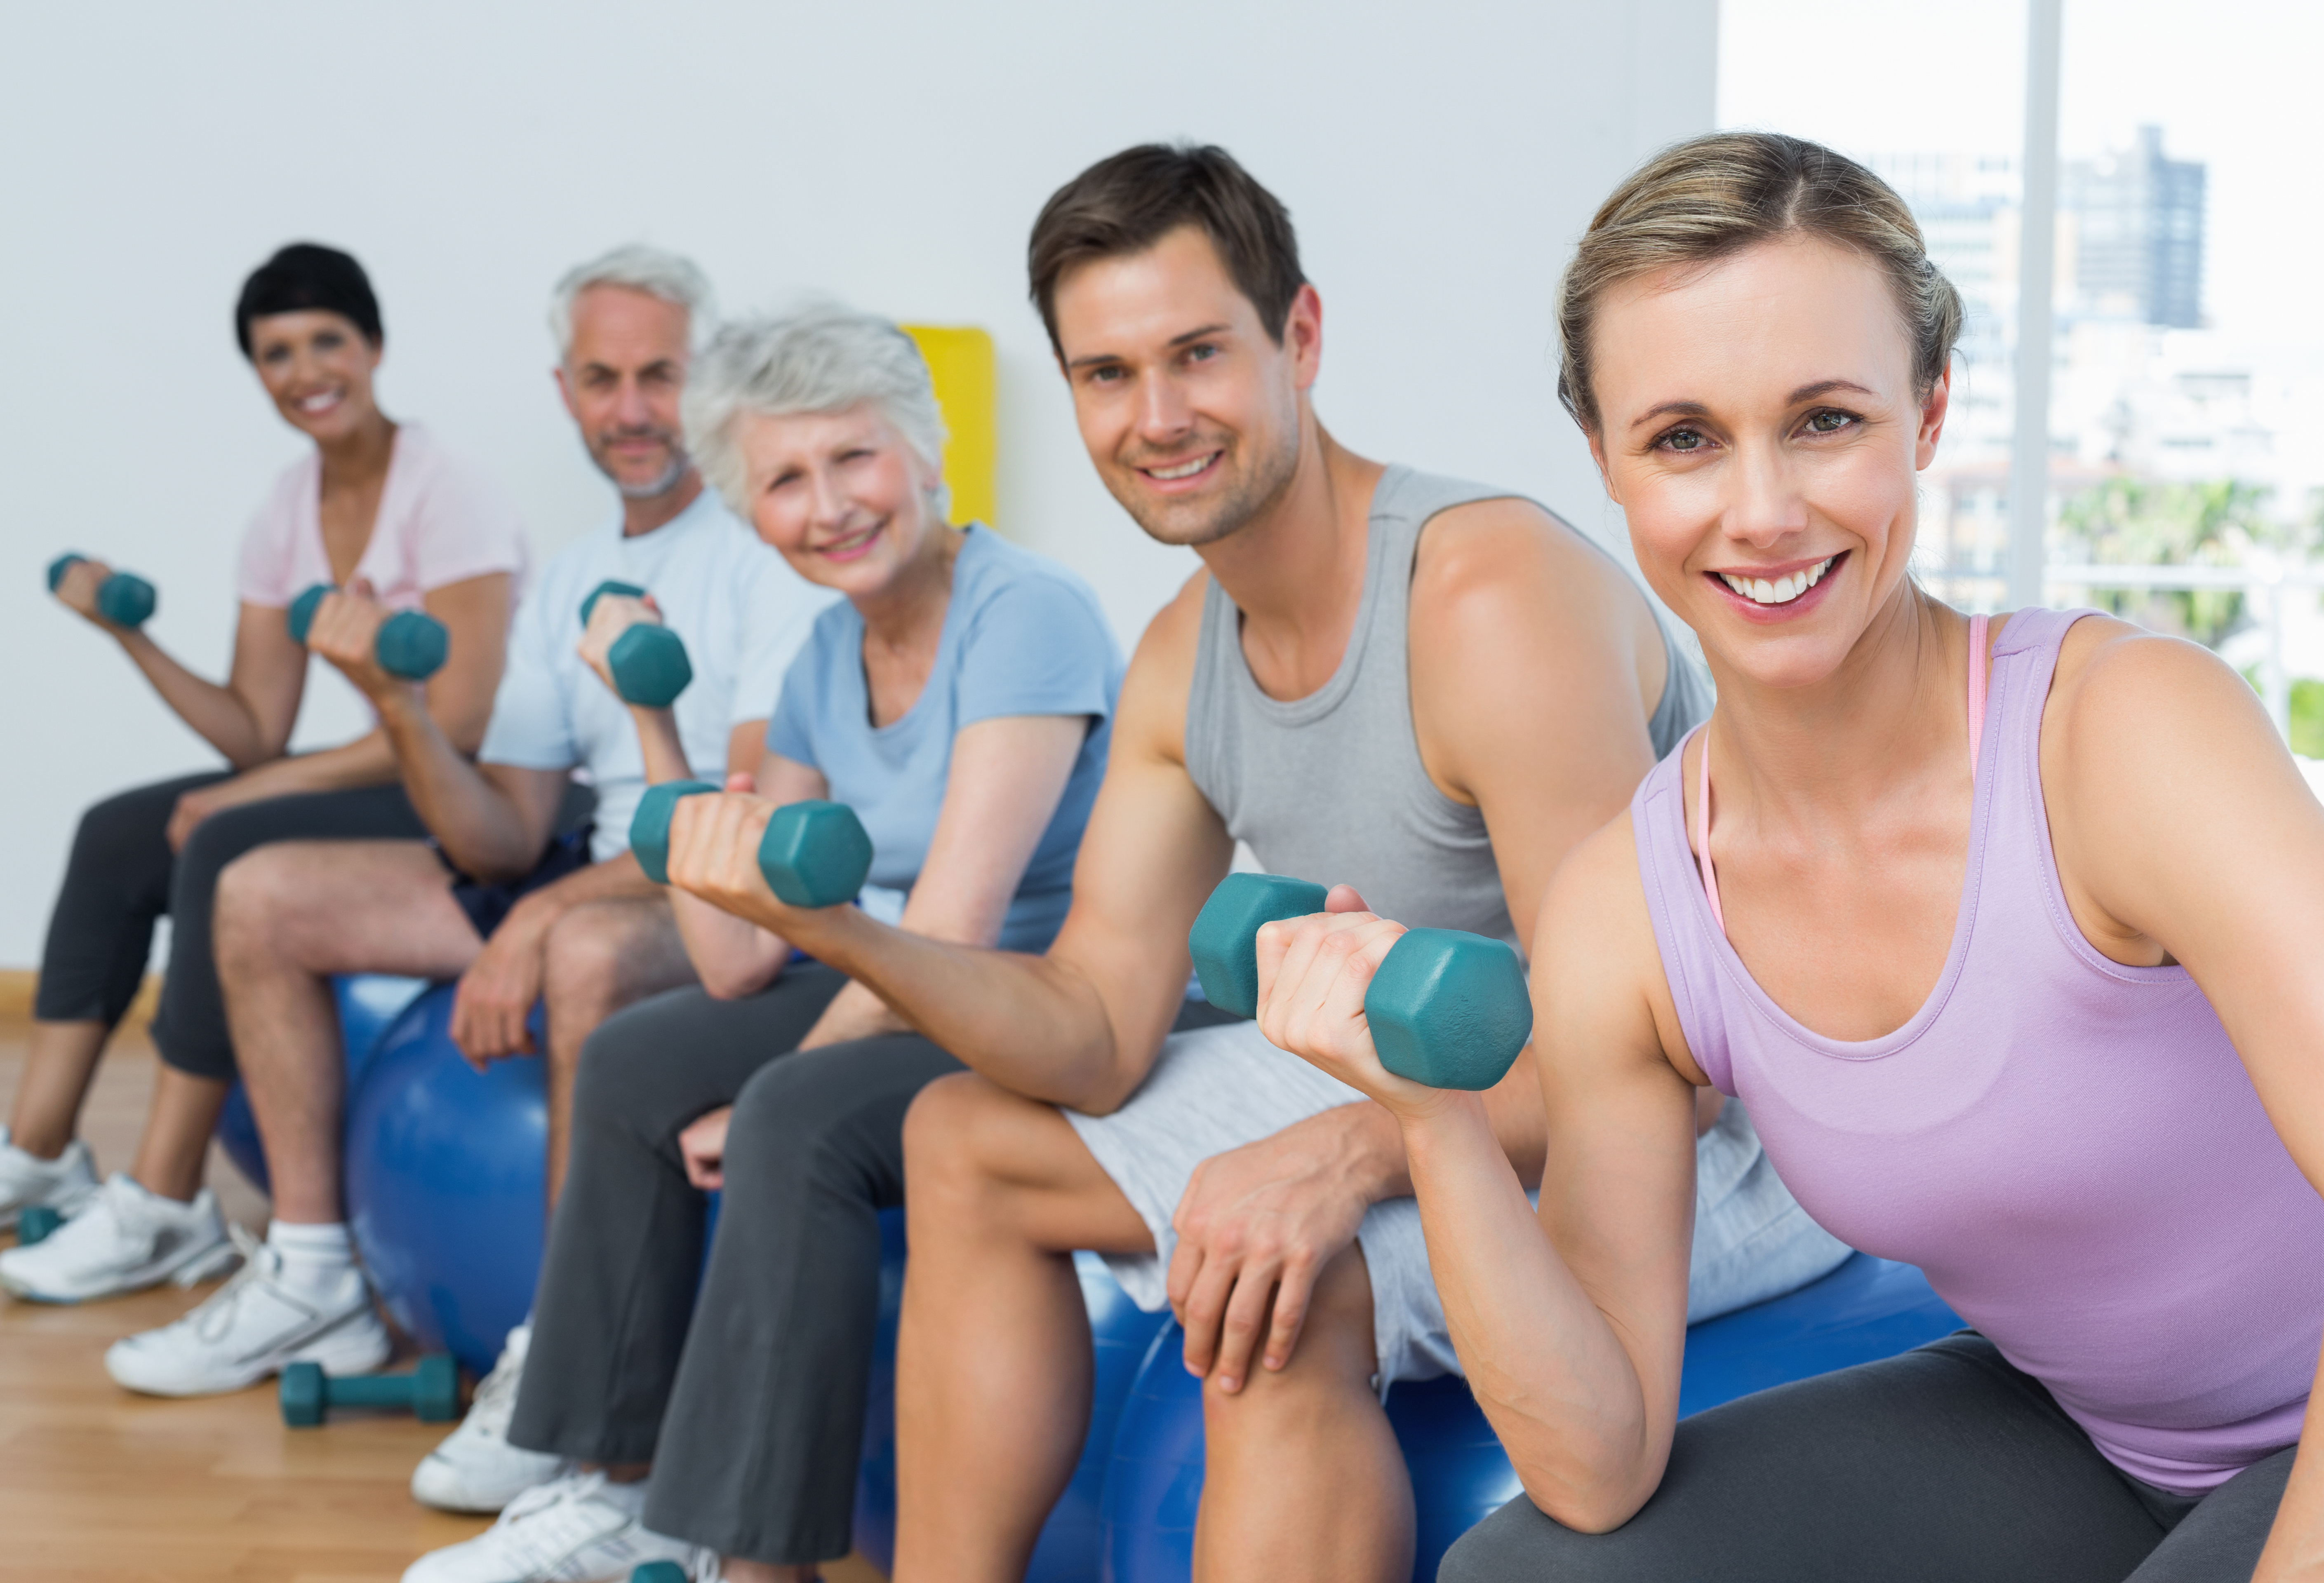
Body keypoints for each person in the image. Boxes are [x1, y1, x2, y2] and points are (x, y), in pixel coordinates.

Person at [630, 144, 1846, 1582]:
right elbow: (1088, 1034)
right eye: (1106, 374)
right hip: (1451, 1077)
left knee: (1287, 1271)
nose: (1156, 418)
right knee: (962, 1141)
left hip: (1708, 1131)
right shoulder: (1179, 658)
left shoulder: (1483, 596)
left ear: (1302, 338)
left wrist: (1335, 1157)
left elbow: (1647, 1049)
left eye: (1197, 354)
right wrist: (836, 929)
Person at [1250, 133, 2324, 1583]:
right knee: (1528, 1572)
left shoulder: (2119, 738)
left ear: (1930, 409)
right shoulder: (1631, 913)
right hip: (2100, 1437)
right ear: (1604, 460)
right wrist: (1436, 1122)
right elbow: (1596, 1464)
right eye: (1684, 438)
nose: (1764, 510)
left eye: (1826, 420)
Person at [398, 304, 1135, 1583]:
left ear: (921, 452)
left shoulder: (1026, 616)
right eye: (786, 480)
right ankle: (619, 1489)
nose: (829, 505)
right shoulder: (821, 656)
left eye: (854, 458)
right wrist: (655, 727)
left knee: (793, 1112)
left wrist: (761, 1096)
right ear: (750, 508)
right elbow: (738, 955)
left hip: (1046, 1008)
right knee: (632, 1059)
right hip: (916, 988)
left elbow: (957, 932)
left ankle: (755, 1562)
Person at [94, 245, 831, 1399]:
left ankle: (567, 1365)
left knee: (580, 944)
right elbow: (502, 832)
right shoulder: (571, 577)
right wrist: (399, 708)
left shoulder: (766, 553)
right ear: (564, 392)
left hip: (710, 903)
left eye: (660, 376)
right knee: (256, 892)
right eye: (602, 379)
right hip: (595, 866)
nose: (631, 412)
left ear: (712, 380)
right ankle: (316, 1276)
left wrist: (543, 916)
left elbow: (734, 841)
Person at [0, 243, 525, 1303]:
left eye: (327, 339)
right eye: (275, 353)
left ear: (373, 348)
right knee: (118, 830)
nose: (305, 370)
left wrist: (251, 795)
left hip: (472, 799)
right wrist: (128, 639)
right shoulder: (286, 509)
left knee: (232, 833)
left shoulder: (449, 490)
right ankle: (41, 1147)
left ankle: (164, 1201)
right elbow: (254, 729)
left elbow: (460, 722)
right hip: (383, 773)